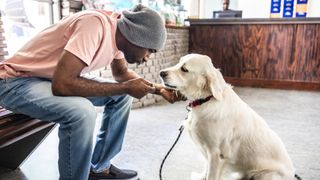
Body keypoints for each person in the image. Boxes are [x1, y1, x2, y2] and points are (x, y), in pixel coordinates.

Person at [0, 4, 184, 180]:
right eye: (149, 50)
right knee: (82, 112)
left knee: (121, 96)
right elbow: (62, 85)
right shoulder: (93, 26)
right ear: (137, 37)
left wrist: (159, 89)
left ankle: (100, 168)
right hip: (15, 82)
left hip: (47, 79)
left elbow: (121, 74)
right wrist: (126, 87)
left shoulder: (118, 32)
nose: (147, 57)